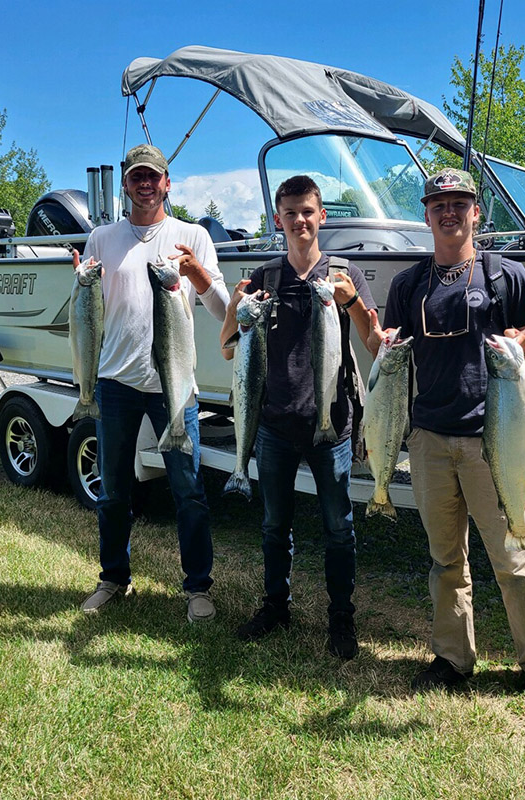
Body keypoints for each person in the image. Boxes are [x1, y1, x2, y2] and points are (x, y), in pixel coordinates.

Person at [372, 168, 525, 712]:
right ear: (426, 214)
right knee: (445, 560)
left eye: (460, 203)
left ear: (477, 212)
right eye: (439, 205)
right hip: (428, 440)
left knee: (512, 556)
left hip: (491, 441)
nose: (449, 212)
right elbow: (386, 354)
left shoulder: (506, 276)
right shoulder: (408, 284)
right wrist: (375, 333)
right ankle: (452, 659)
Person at [220, 175, 377, 659]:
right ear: (278, 220)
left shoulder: (345, 274)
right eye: (290, 213)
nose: (300, 221)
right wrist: (234, 307)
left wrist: (351, 302)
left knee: (339, 528)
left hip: (331, 425)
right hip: (273, 425)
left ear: (322, 215)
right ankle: (275, 607)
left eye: (308, 211)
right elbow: (228, 348)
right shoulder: (265, 277)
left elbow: (375, 344)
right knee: (274, 525)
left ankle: (341, 618)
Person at [76, 144, 229, 622]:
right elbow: (89, 310)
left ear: (167, 183)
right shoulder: (102, 237)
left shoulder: (192, 235)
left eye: (153, 176)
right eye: (136, 176)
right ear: (125, 183)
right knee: (113, 491)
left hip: (175, 386)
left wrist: (197, 273)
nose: (145, 184)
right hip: (114, 382)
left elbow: (224, 311)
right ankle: (112, 578)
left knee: (189, 492)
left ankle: (198, 587)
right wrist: (80, 281)